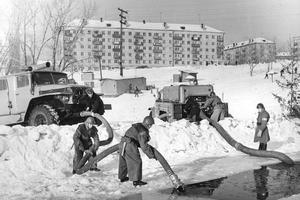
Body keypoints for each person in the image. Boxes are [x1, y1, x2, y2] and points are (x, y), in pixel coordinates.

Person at [118, 116, 156, 186]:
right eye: (150, 125)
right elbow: (144, 146)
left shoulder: (138, 126)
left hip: (122, 143)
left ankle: (122, 177)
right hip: (130, 145)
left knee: (124, 161)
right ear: (148, 125)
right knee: (136, 161)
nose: (150, 127)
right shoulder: (143, 131)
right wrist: (152, 155)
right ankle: (136, 181)